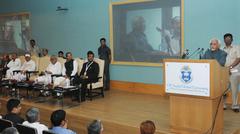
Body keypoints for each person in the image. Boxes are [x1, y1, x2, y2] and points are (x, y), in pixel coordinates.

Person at [223, 33, 240, 112]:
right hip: (224, 71)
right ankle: (223, 104)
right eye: (226, 39)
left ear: (232, 40)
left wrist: (230, 67)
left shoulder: (237, 47)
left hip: (234, 70)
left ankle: (235, 106)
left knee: (234, 89)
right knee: (224, 89)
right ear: (224, 40)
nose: (227, 40)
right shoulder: (222, 49)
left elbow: (238, 59)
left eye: (229, 39)